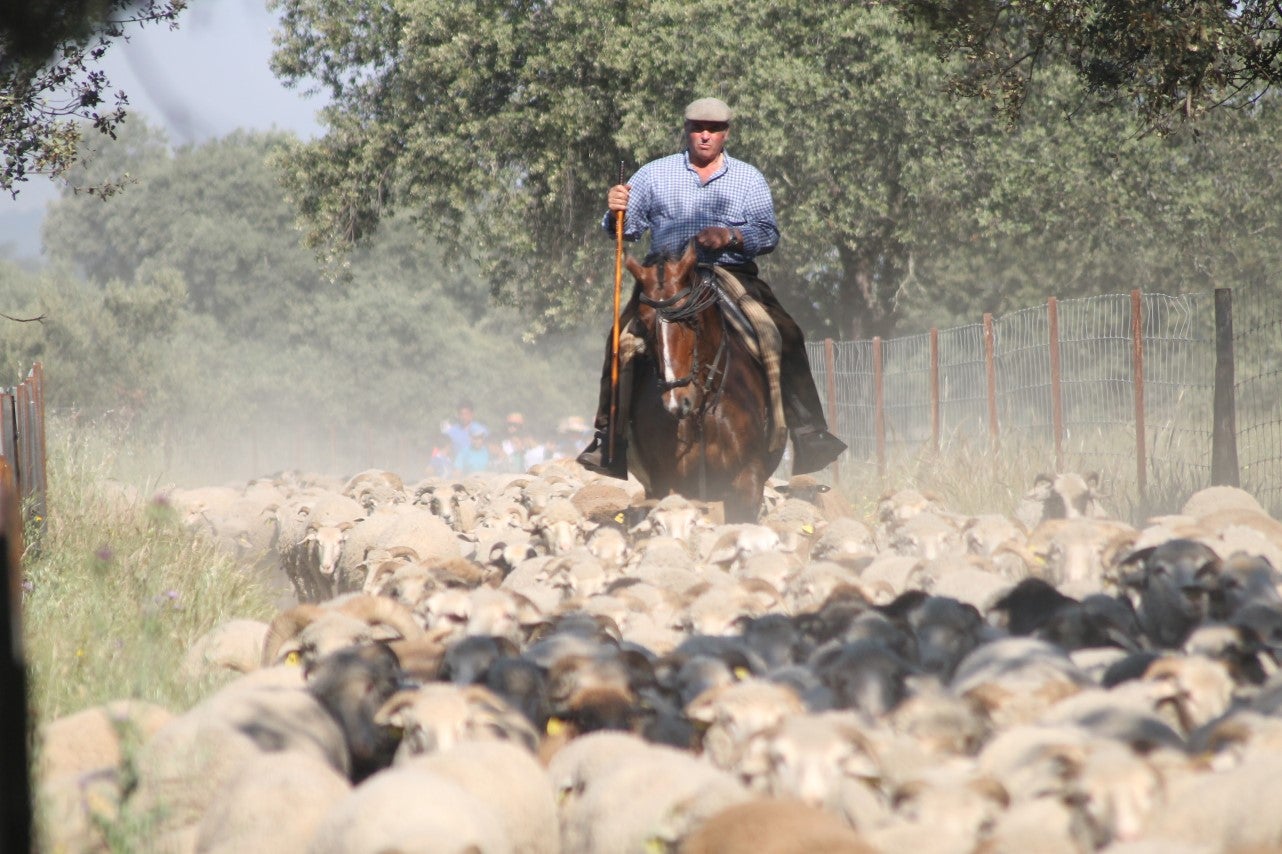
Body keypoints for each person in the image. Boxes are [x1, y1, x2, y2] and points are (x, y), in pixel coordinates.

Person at [576, 96, 847, 478]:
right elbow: (627, 229)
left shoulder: (748, 178)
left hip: (730, 274)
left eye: (714, 129)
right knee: (621, 339)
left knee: (783, 332)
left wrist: (732, 235)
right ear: (686, 130)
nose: (705, 135)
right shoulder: (653, 175)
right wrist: (614, 210)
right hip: (667, 280)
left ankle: (809, 432)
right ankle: (609, 437)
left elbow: (767, 234)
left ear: (726, 133)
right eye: (698, 127)